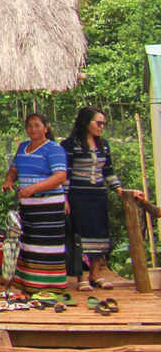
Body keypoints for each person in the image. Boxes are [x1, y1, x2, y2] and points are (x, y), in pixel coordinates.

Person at [3, 112, 71, 292]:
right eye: (30, 126)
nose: (33, 129)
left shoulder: (54, 148)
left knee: (47, 246)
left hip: (48, 205)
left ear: (46, 129)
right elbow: (14, 168)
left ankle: (50, 286)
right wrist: (9, 180)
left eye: (37, 125)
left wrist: (34, 188)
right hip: (28, 206)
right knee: (29, 244)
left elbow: (60, 176)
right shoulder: (23, 147)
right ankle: (28, 284)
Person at [63, 107, 121, 290]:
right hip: (78, 196)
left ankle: (96, 275)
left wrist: (119, 189)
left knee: (99, 233)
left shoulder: (104, 145)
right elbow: (65, 174)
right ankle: (80, 278)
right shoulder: (70, 145)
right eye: (99, 123)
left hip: (98, 195)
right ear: (85, 123)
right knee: (79, 235)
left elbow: (108, 171)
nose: (102, 127)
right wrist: (64, 198)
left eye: (104, 123)